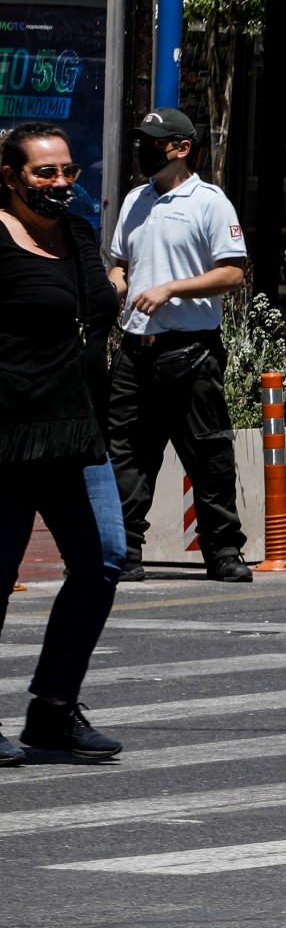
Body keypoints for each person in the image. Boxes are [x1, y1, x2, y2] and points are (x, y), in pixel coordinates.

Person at [0, 122, 125, 764]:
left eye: (67, 171)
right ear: (11, 176)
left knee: (103, 558)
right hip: (10, 435)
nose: (59, 183)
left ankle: (52, 709)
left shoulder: (78, 237)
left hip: (79, 430)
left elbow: (99, 310)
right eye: (44, 172)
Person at [104, 107, 252, 583]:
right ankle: (124, 552)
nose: (144, 149)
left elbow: (233, 272)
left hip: (191, 351)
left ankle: (224, 552)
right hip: (134, 351)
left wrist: (170, 288)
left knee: (209, 455)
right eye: (141, 141)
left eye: (154, 141)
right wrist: (113, 290)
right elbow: (120, 264)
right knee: (125, 453)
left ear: (182, 148)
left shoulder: (210, 202)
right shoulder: (134, 201)